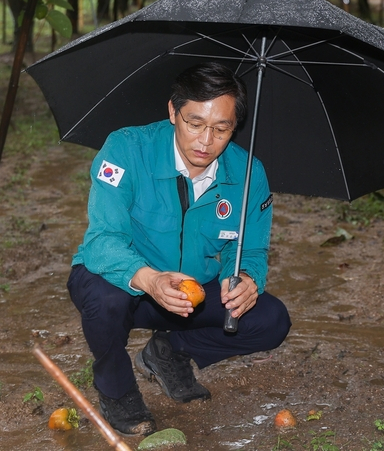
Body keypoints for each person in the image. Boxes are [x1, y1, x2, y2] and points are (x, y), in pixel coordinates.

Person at [67, 62, 291, 436]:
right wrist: (151, 280)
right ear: (173, 111)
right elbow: (102, 241)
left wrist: (248, 278)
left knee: (270, 320)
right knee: (105, 302)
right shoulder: (126, 149)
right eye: (194, 123)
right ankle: (116, 388)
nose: (205, 142)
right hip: (127, 285)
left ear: (236, 126)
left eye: (222, 129)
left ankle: (169, 352)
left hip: (193, 294)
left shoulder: (249, 173)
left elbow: (251, 250)